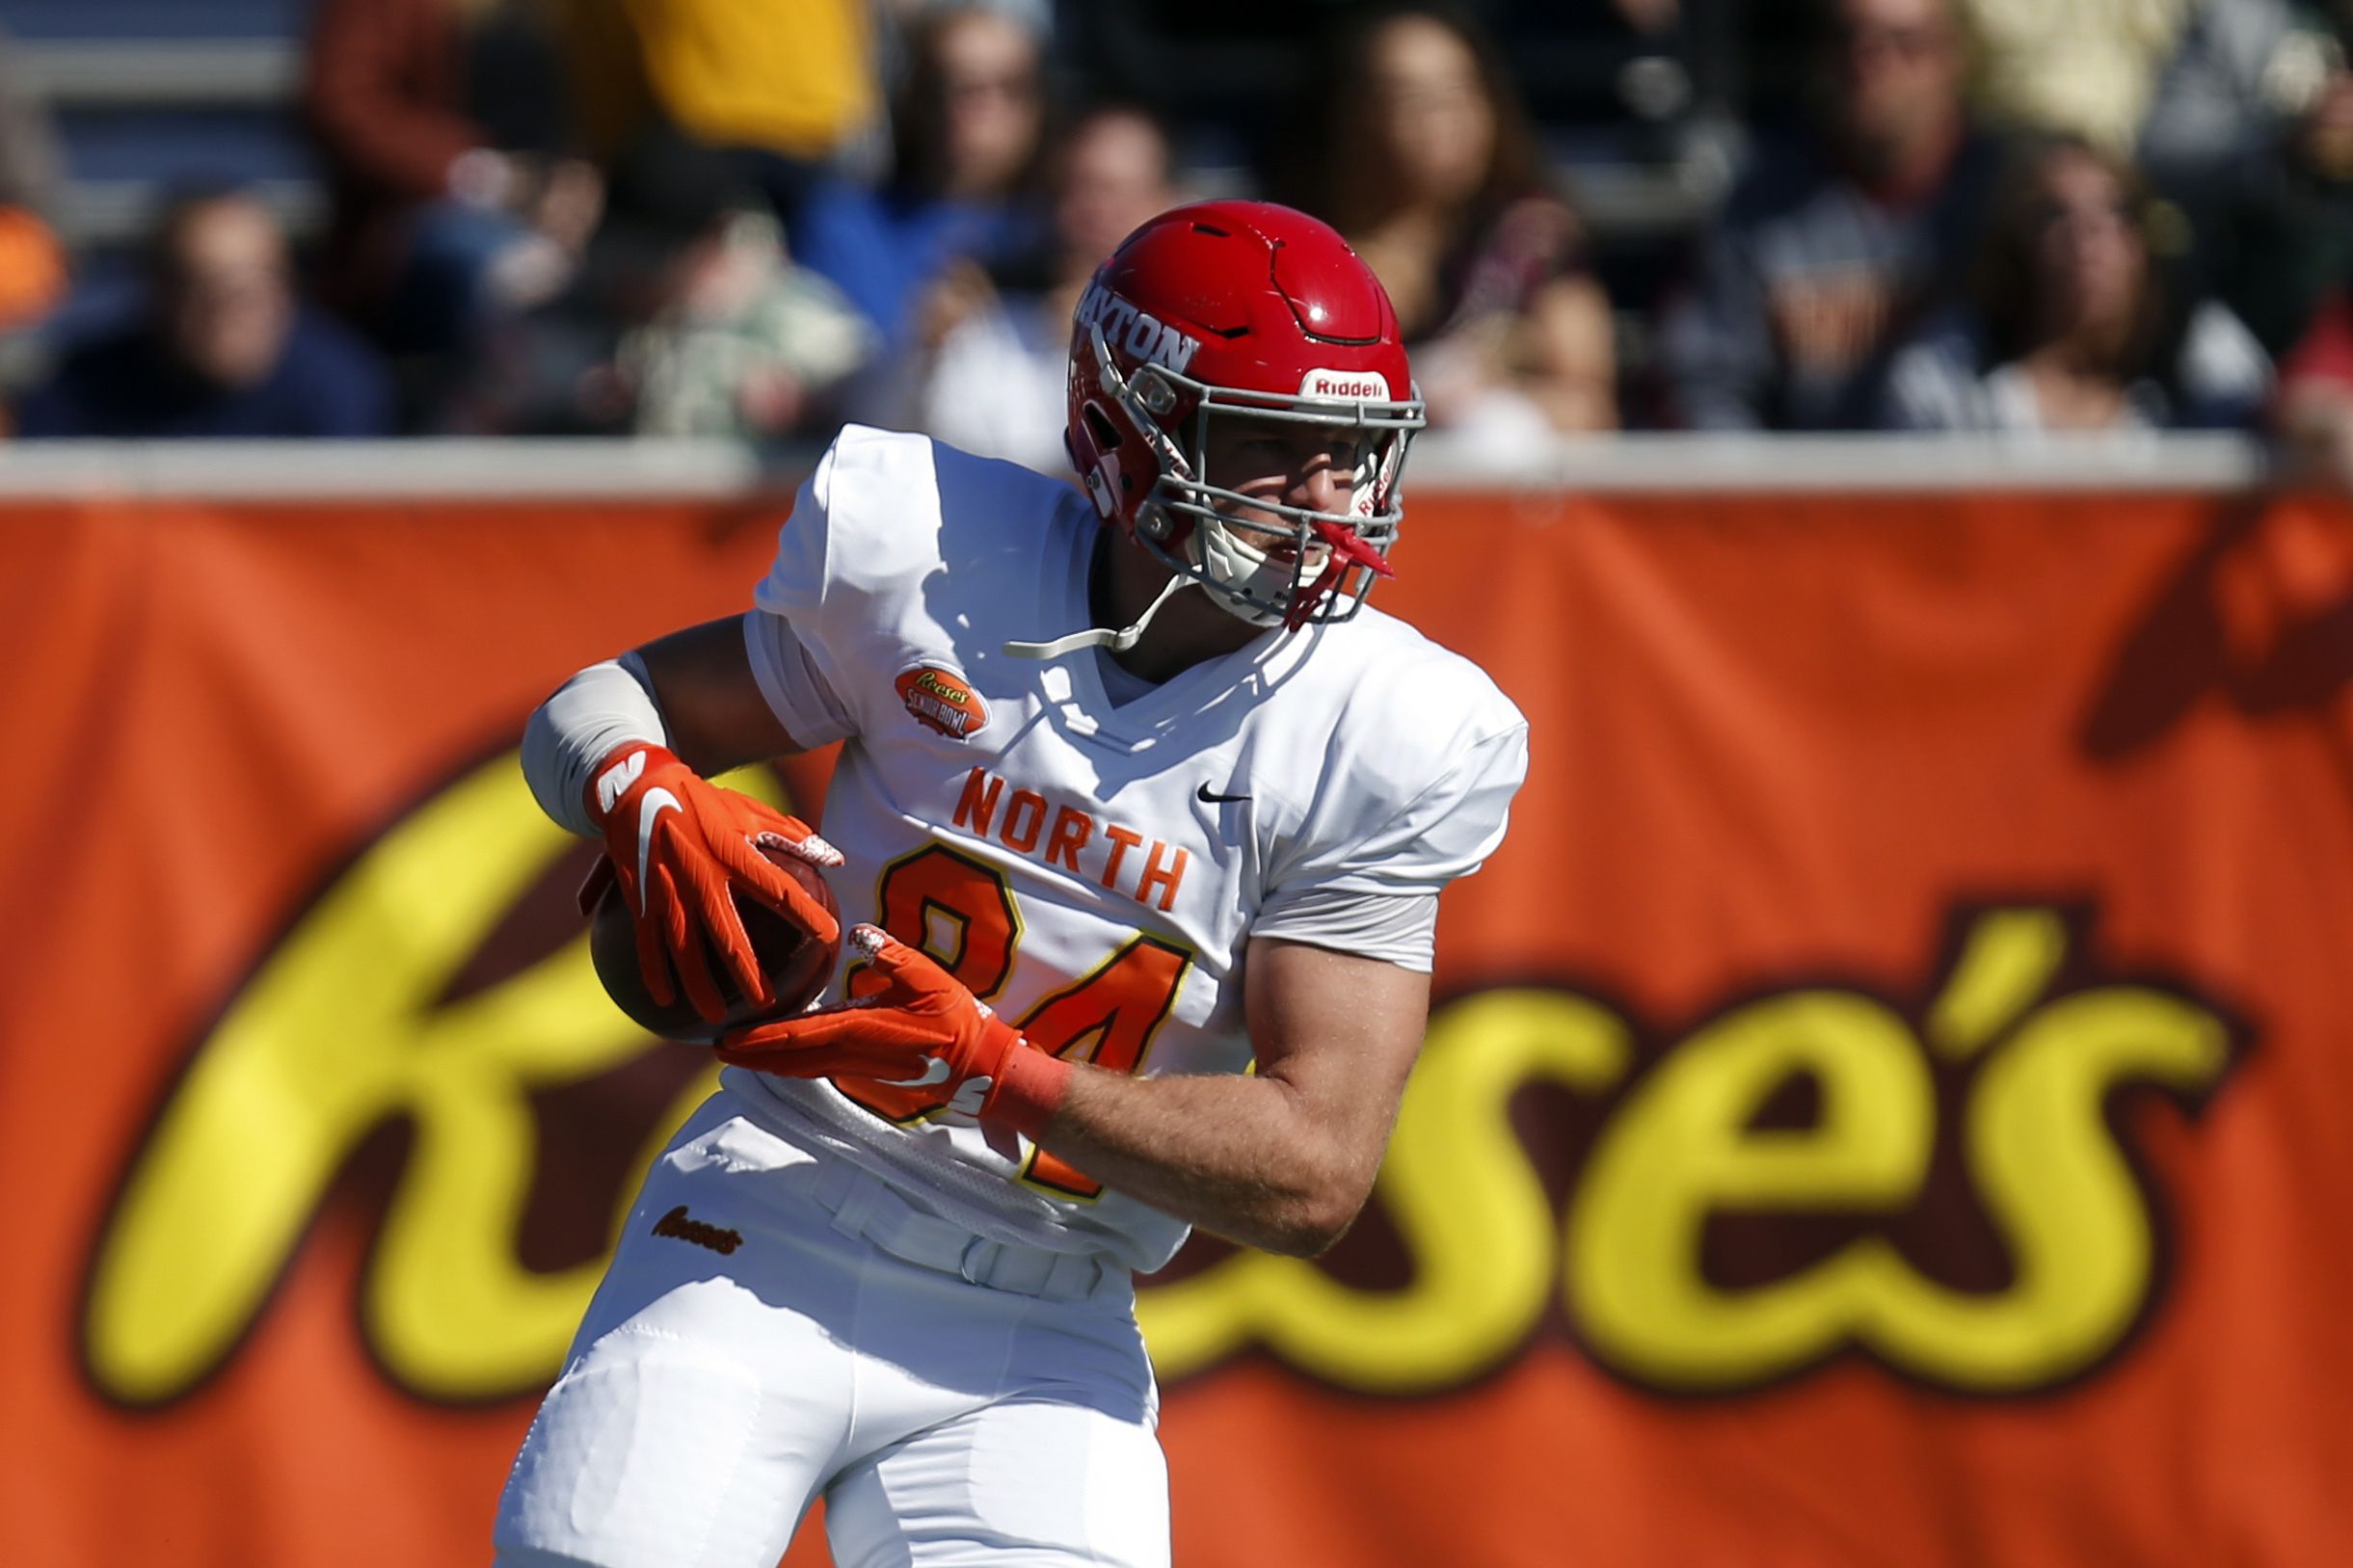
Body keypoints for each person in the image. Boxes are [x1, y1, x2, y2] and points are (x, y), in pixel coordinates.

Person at [495, 199, 1527, 1567]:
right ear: (1122, 430)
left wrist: (994, 1067)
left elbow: (1313, 1172)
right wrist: (639, 792)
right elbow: (601, 702)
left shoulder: (1382, 731)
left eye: (1351, 454)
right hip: (775, 1210)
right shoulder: (936, 563)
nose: (1325, 497)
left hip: (1042, 1318)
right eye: (1271, 448)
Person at [1278, 3, 1618, 442]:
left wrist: (1493, 388)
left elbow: (1591, 407)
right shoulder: (1300, 250)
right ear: (1351, 111)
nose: (1444, 121)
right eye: (1410, 100)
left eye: (1460, 93)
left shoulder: (1532, 237)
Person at [1657, 0, 2003, 430]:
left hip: (1984, 482)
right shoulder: (1758, 205)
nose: (1872, 63)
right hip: (1799, 486)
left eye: (1906, 43)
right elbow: (1709, 384)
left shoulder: (2011, 196)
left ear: (1955, 57)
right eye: (1848, 39)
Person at [1878, 136, 2271, 432]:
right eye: (2055, 217)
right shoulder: (1946, 375)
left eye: (2116, 214)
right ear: (2015, 242)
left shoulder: (2208, 355)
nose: (2088, 240)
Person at [889, 100, 1181, 471]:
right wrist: (922, 351)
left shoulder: (1201, 346)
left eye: (1112, 191)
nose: (1091, 211)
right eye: (1075, 189)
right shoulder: (987, 335)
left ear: (1165, 204)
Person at [15, 188, 392, 439]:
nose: (231, 312)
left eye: (254, 287)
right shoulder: (82, 390)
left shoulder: (338, 385)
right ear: (160, 292)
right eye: (206, 286)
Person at [791, 4, 1050, 351]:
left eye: (1007, 87)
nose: (977, 109)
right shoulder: (843, 226)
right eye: (950, 84)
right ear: (913, 98)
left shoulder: (1064, 232)